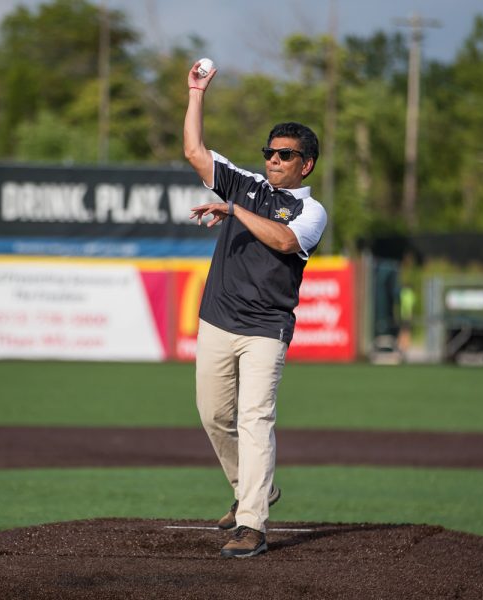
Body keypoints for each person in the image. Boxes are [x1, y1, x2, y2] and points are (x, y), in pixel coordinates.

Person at [183, 59, 328, 558]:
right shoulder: (245, 184)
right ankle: (255, 486)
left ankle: (253, 524)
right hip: (218, 318)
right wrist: (196, 93)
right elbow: (194, 151)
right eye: (270, 151)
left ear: (305, 164)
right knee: (213, 414)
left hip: (266, 327)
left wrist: (232, 209)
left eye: (285, 154)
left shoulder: (310, 210)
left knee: (255, 418)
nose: (273, 159)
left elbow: (284, 241)